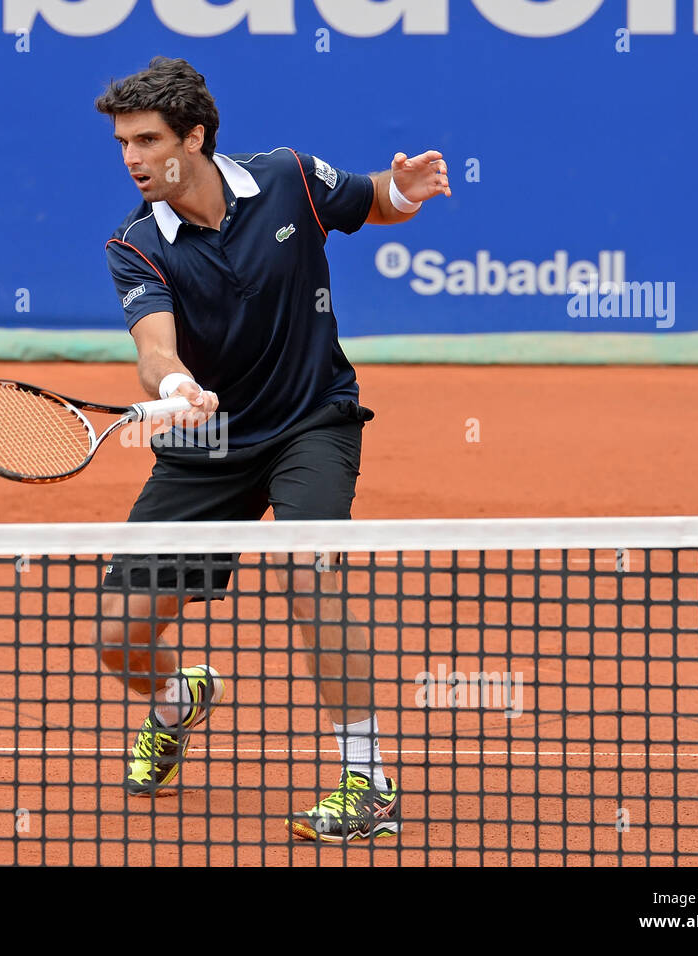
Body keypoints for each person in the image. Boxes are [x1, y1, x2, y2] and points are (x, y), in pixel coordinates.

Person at [94, 56, 450, 842]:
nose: (132, 159)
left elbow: (371, 199)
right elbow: (154, 348)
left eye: (148, 141)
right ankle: (177, 704)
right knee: (120, 636)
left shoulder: (287, 177)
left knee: (307, 570)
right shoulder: (136, 244)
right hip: (209, 440)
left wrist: (403, 191)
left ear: (195, 136)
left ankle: (368, 783)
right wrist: (176, 385)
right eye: (123, 143)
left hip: (309, 419)